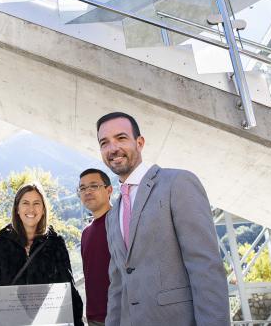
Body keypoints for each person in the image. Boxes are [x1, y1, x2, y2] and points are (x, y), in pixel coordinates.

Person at [97, 112, 229, 326]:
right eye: (104, 143)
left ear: (139, 142)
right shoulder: (112, 215)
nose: (113, 148)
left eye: (121, 138)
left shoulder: (177, 183)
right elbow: (118, 286)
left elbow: (205, 267)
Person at [0, 184, 83, 326]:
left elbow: (68, 289)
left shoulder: (55, 243)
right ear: (17, 209)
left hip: (48, 322)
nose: (31, 209)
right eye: (25, 203)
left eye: (36, 203)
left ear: (43, 209)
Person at [78, 168, 113, 326]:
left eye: (94, 186)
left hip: (122, 314)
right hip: (94, 318)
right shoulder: (86, 233)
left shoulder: (121, 223)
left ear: (109, 190)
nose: (87, 191)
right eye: (83, 188)